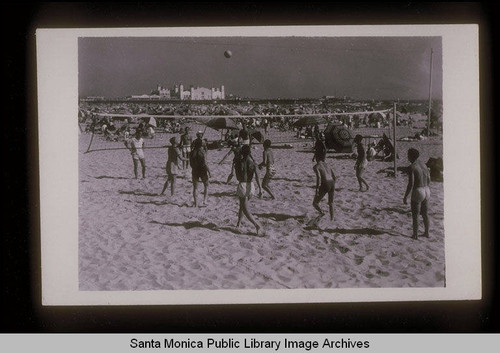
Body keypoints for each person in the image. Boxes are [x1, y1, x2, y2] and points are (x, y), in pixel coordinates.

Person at [403, 148, 431, 240]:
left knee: (415, 215)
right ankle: (427, 233)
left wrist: (405, 196)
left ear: (411, 156)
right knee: (425, 213)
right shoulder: (423, 164)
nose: (407, 157)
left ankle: (415, 235)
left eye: (408, 155)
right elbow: (429, 179)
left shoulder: (412, 167)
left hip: (418, 190)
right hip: (427, 189)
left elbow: (411, 184)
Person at [234, 145, 262, 234]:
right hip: (251, 185)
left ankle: (257, 225)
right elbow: (258, 177)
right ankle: (238, 224)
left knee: (245, 209)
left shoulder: (239, 162)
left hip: (242, 184)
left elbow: (237, 176)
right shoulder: (253, 163)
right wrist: (261, 189)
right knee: (242, 207)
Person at [312, 149, 336, 221]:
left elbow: (319, 178)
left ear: (316, 158)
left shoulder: (316, 166)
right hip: (332, 182)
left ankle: (321, 212)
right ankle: (332, 219)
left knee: (315, 203)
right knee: (331, 203)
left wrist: (317, 189)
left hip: (325, 183)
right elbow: (334, 176)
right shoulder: (327, 164)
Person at [190, 138, 210, 207]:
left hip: (195, 170)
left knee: (195, 188)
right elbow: (205, 163)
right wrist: (209, 172)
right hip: (202, 170)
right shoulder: (202, 152)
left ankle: (196, 204)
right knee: (206, 185)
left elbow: (190, 163)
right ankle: (204, 201)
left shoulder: (192, 152)